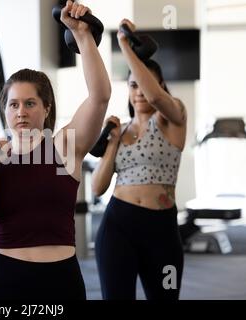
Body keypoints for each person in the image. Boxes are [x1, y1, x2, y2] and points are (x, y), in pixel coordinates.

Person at [0, 1, 111, 300]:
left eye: (30, 103)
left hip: (60, 278)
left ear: (46, 108)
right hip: (5, 279)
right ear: (5, 110)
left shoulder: (63, 147)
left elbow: (99, 97)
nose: (21, 112)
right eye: (13, 104)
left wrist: (82, 35)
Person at [91, 19, 187, 300]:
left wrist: (124, 45)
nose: (139, 91)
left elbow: (157, 97)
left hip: (162, 229)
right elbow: (97, 188)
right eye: (133, 85)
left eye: (144, 83)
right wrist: (111, 143)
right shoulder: (120, 131)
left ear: (159, 84)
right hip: (118, 224)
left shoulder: (173, 117)